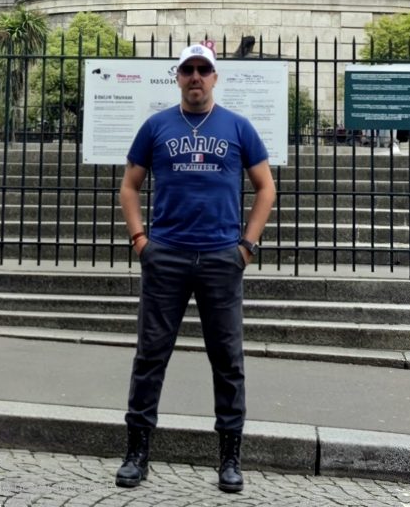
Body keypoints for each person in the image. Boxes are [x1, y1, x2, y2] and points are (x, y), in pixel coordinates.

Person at [116, 43, 275, 493]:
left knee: (227, 360)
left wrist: (246, 246)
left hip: (221, 258)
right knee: (150, 356)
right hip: (166, 255)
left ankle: (229, 458)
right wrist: (140, 241)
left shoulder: (237, 127)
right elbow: (129, 187)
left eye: (204, 70)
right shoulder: (157, 126)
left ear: (215, 77)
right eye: (188, 70)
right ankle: (137, 453)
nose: (196, 77)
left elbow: (266, 188)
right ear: (178, 77)